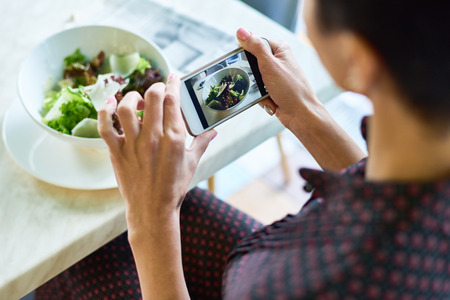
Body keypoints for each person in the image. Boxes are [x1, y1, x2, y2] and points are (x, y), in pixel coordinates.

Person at [36, 0, 450, 299]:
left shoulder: (333, 278)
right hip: (269, 261)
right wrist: (306, 114)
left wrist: (152, 220)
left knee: (70, 262)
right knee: (106, 234)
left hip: (267, 278)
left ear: (358, 57)